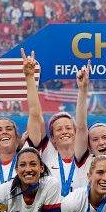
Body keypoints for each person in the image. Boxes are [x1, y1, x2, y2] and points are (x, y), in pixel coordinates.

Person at [21, 50, 91, 195]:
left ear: (75, 133)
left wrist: (83, 90)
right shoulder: (46, 153)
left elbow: (82, 124)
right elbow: (35, 114)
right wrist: (29, 77)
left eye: (68, 128)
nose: (64, 131)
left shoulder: (81, 154)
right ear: (52, 138)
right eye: (59, 129)